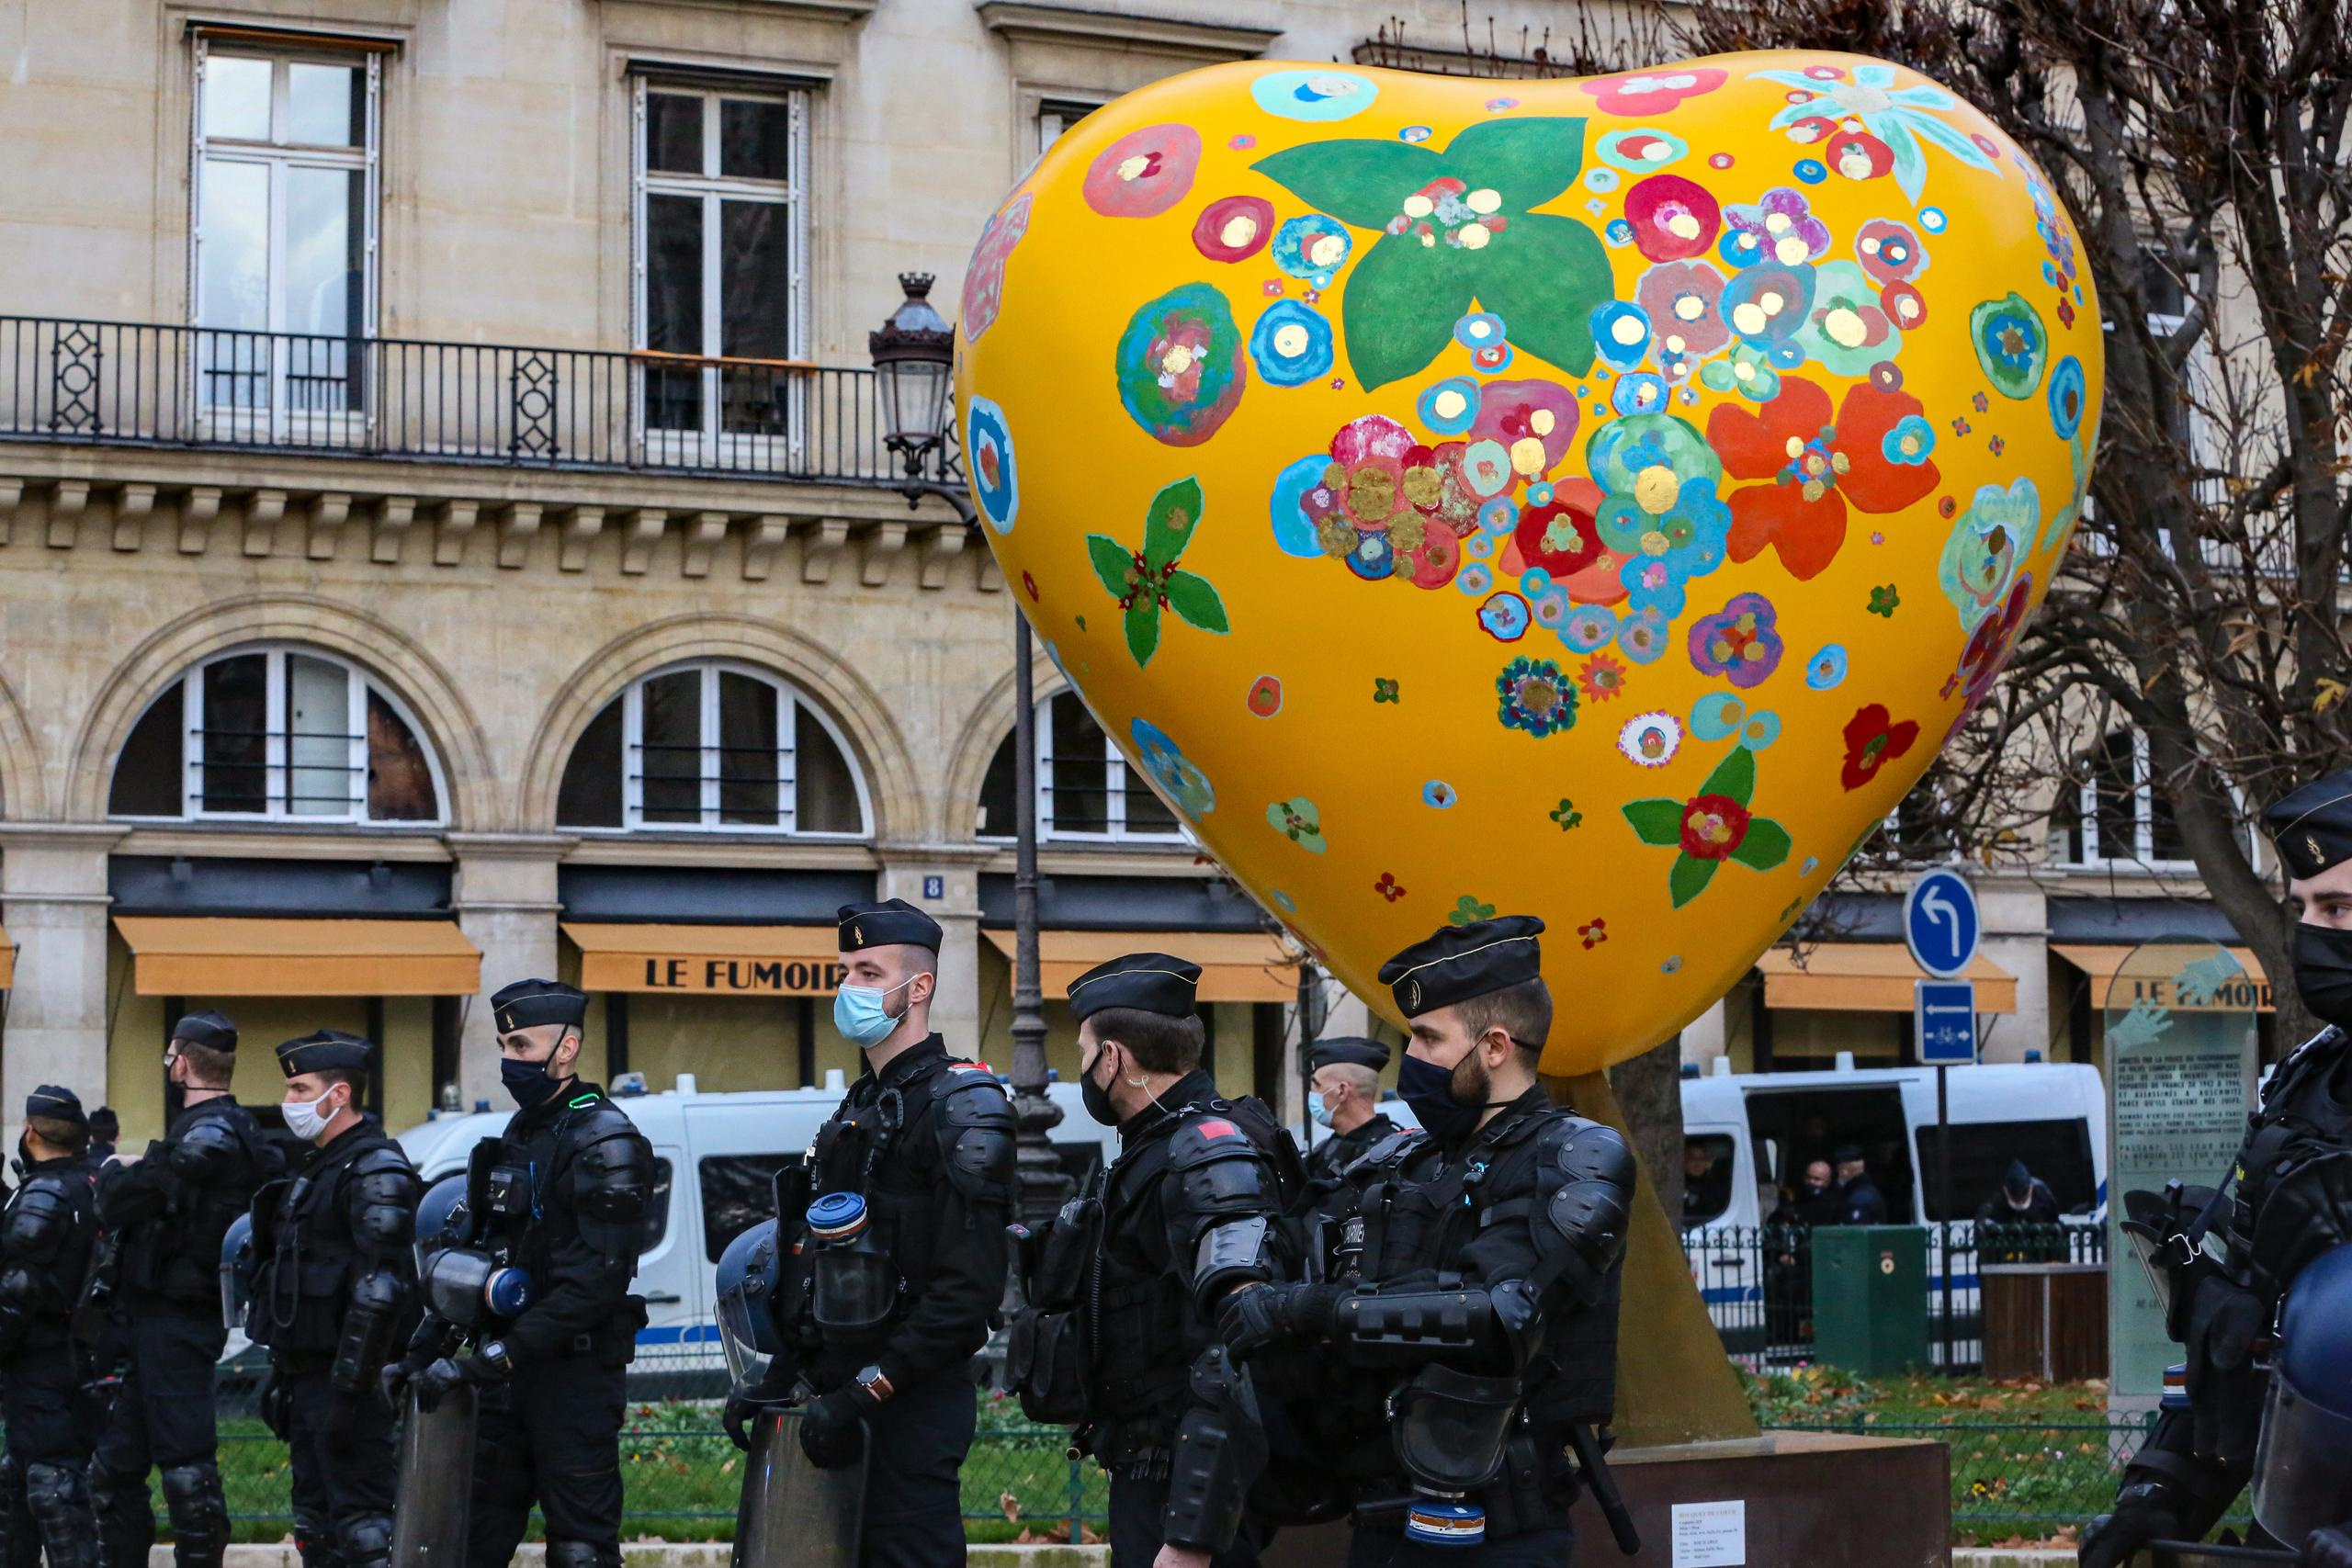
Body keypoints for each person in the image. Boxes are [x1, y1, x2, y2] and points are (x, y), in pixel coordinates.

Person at [1216, 915, 1638, 1566]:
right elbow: (1304, 1250)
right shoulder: (1408, 1160)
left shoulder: (1576, 1156)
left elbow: (1499, 1313)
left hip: (1496, 1532)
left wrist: (1312, 1310)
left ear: (1494, 1046)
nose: (1409, 1057)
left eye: (1428, 1037)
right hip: (1379, 1514)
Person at [2082, 770, 2352, 1567]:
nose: (2310, 934)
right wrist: (2158, 1492)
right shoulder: (2306, 1088)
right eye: (2303, 908)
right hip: (2296, 1534)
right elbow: (2240, 1339)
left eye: (2338, 909)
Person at [719, 899, 1015, 1568]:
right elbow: (820, 1266)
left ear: (919, 987)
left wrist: (867, 1391)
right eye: (845, 971)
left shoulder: (962, 1106)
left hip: (910, 1406)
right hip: (839, 1397)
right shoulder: (860, 1105)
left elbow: (967, 1293)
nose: (849, 986)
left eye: (868, 972)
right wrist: (780, 1377)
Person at [1005, 951, 1300, 1568]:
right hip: (1154, 1468)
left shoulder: (1203, 1155)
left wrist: (1193, 1531)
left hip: (1182, 1478)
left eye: (1084, 1052)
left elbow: (1235, 1345)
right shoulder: (1158, 1148)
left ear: (1113, 1058)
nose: (1083, 1069)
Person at [380, 979, 655, 1568]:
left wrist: (492, 1360)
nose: (509, 1060)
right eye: (504, 1045)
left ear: (566, 1049)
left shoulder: (607, 1141)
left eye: (522, 1045)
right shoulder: (520, 1132)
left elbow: (594, 1287)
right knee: (468, 1542)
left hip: (573, 1379)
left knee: (580, 1550)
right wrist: (420, 1354)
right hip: (504, 1376)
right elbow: (476, 1260)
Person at [90, 1010, 282, 1568]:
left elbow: (124, 1199)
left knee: (186, 1469)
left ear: (182, 1064)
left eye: (170, 1056)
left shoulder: (210, 1132)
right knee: (115, 1467)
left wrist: (122, 1169)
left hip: (178, 1318)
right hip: (158, 1319)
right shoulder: (225, 1129)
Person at [246, 1031, 420, 1568]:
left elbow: (380, 1293)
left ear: (339, 1094)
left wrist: (349, 1393)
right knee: (315, 1526)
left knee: (363, 1526)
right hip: (308, 1377)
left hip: (351, 1384)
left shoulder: (375, 1169)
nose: (289, 1101)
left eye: (300, 1089)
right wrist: (286, 1371)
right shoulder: (319, 1167)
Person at [0, 1086, 102, 1568]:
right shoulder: (92, 1183)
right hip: (82, 1358)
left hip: (41, 1362)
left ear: (31, 1132)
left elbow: (19, 1291)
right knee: (19, 1486)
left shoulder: (43, 1194)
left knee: (52, 1487)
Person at [1303, 1037, 1397, 1189]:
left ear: (1341, 1091)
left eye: (1317, 1085)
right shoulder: (1325, 1149)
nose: (1312, 1093)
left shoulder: (1389, 1154)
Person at [1830, 1145, 1886, 1225]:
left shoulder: (1859, 1198)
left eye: (1838, 1170)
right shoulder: (1866, 1191)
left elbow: (1855, 1231)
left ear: (1844, 1171)